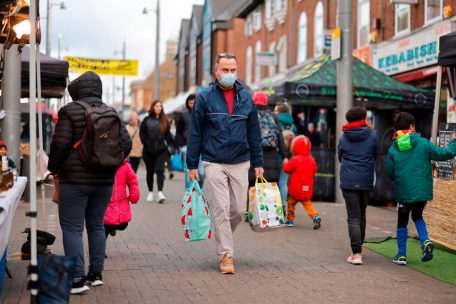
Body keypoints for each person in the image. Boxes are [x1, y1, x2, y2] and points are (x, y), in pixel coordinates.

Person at [48, 71, 132, 294]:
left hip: (74, 181)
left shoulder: (70, 111)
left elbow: (59, 145)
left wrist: (54, 168)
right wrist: (112, 164)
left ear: (76, 91)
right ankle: (95, 275)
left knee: (73, 228)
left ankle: (76, 280)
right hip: (104, 182)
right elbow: (126, 143)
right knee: (96, 226)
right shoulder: (111, 112)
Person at [187, 52, 264, 274]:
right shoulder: (204, 97)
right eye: (225, 70)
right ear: (216, 71)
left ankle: (222, 232)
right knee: (221, 207)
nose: (229, 74)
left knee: (239, 210)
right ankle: (226, 255)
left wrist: (258, 161)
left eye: (233, 70)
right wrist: (192, 164)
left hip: (241, 160)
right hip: (213, 160)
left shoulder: (246, 97)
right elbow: (195, 133)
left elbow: (254, 133)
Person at [386, 110, 456, 266]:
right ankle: (425, 241)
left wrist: (400, 179)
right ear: (412, 126)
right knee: (417, 215)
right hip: (422, 190)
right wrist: (454, 142)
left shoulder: (393, 148)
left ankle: (401, 255)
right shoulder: (423, 143)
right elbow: (443, 154)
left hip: (404, 191)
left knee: (402, 221)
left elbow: (389, 172)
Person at [338, 107, 378, 265]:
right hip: (365, 179)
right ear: (363, 118)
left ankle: (355, 254)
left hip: (348, 180)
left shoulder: (343, 137)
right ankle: (359, 250)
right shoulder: (373, 135)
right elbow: (375, 154)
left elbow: (340, 157)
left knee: (353, 216)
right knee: (362, 214)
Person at [249, 91, 289, 187]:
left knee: (253, 191)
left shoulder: (250, 115)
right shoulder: (273, 116)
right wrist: (285, 156)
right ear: (266, 102)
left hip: (254, 159)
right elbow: (280, 138)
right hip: (272, 159)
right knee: (269, 194)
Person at [140, 100, 175, 203]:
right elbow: (142, 134)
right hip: (148, 151)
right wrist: (146, 143)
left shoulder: (165, 120)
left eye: (160, 106)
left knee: (160, 170)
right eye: (156, 106)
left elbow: (168, 135)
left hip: (161, 151)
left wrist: (165, 144)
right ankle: (150, 192)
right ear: (153, 107)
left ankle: (160, 192)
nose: (158, 108)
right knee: (150, 172)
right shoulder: (146, 120)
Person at [282, 135, 321, 229]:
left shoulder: (295, 159)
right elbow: (314, 170)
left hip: (295, 189)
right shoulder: (312, 159)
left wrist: (285, 163)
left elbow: (287, 169)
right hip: (307, 188)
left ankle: (290, 220)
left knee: (291, 203)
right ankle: (315, 216)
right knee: (308, 204)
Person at [104, 159, 140, 242]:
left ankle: (111, 227)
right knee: (104, 226)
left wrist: (134, 196)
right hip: (105, 201)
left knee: (123, 225)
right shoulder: (102, 164)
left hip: (119, 203)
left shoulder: (125, 165)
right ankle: (100, 250)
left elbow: (133, 181)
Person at [175, 94, 204, 189]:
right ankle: (189, 192)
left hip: (202, 147)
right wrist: (182, 145)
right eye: (191, 103)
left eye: (194, 102)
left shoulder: (203, 114)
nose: (193, 104)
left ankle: (198, 189)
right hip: (187, 147)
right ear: (187, 103)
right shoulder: (184, 115)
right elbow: (178, 131)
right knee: (189, 171)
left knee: (202, 173)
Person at [274, 103, 298, 211]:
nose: (274, 112)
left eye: (275, 110)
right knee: (283, 182)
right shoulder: (293, 126)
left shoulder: (275, 122)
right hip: (289, 158)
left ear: (279, 111)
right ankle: (283, 205)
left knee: (273, 182)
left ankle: (274, 206)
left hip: (275, 156)